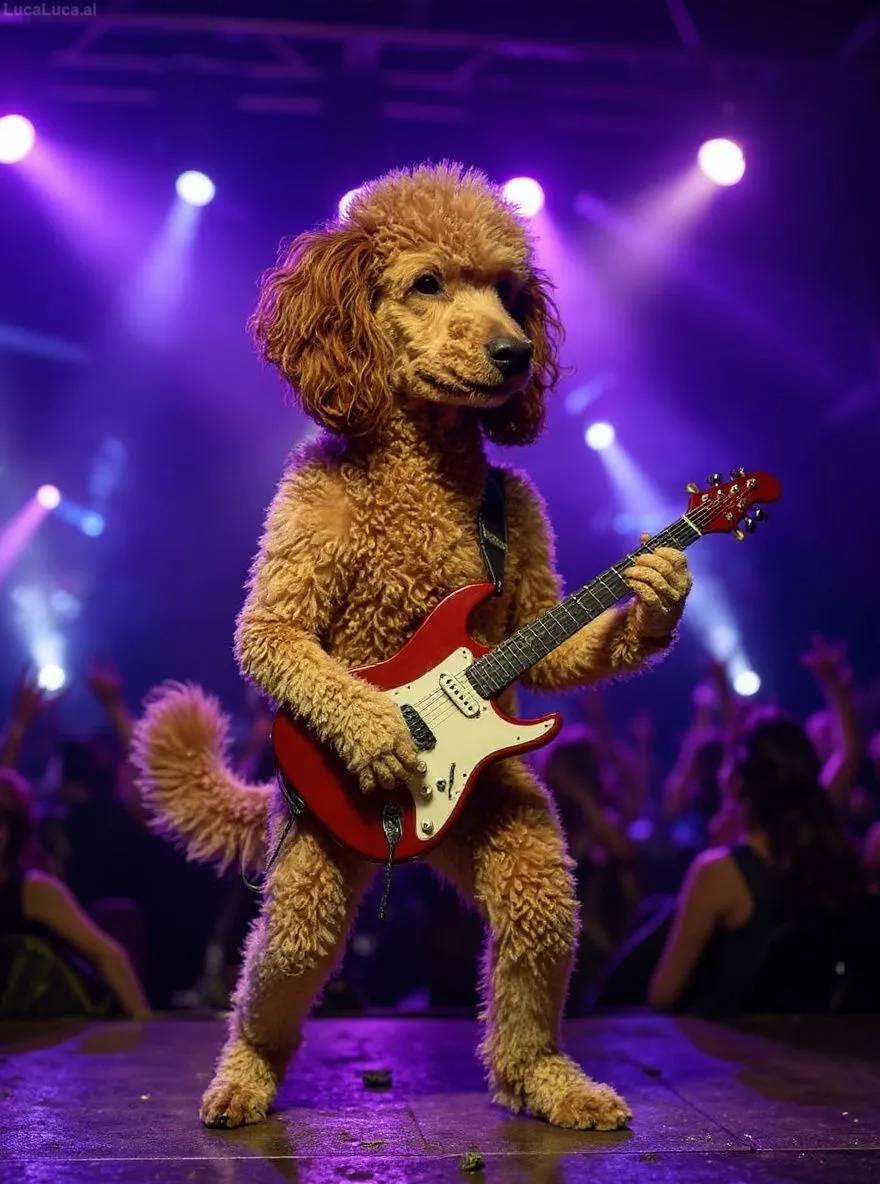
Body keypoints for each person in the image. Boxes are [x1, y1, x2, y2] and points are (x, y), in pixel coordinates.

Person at [648, 711, 869, 1015]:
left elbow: (663, 993)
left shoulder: (718, 873)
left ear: (738, 784)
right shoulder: (838, 857)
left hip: (736, 1053)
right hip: (822, 1044)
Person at [0, 767, 149, 1018]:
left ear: (12, 830)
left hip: (49, 1041)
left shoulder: (34, 891)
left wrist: (149, 1034)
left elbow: (109, 956)